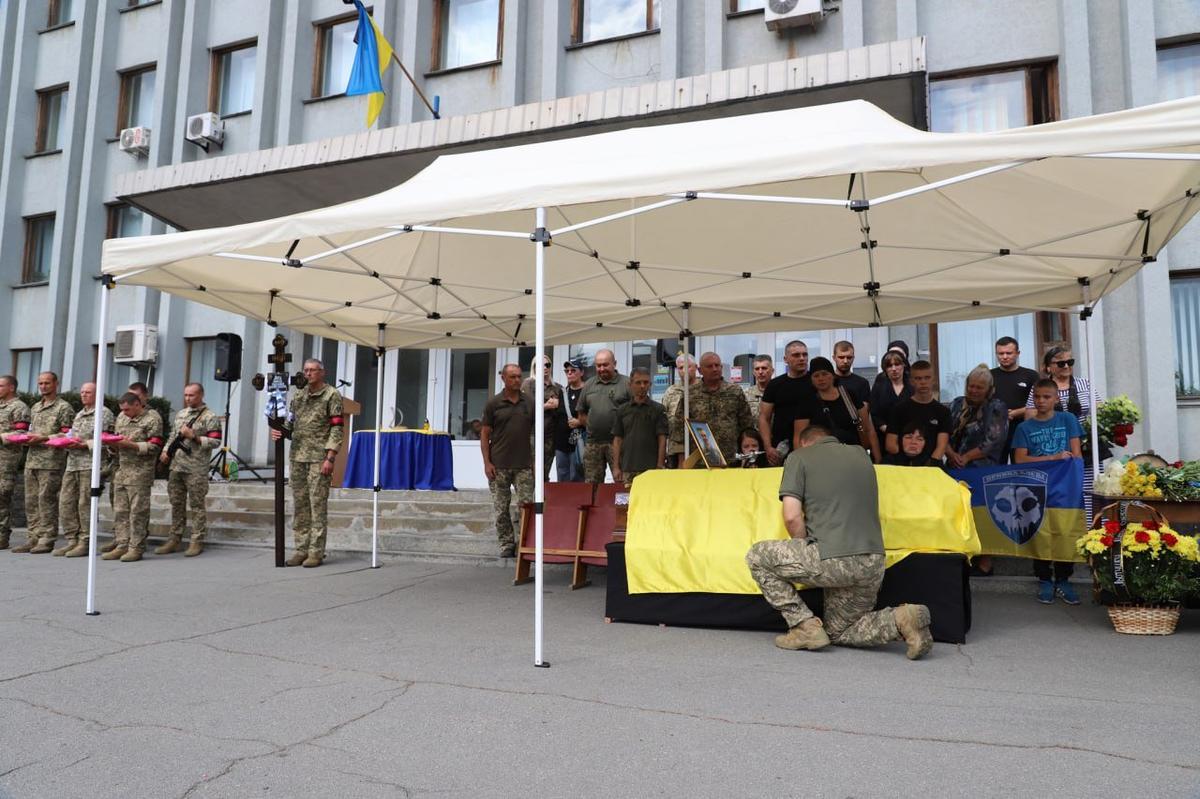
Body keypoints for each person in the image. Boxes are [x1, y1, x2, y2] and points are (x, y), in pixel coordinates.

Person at [744, 424, 933, 659]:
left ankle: (804, 626)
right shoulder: (861, 455)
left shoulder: (799, 457)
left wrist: (804, 547)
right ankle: (902, 619)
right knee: (840, 630)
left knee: (757, 556)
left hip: (832, 558)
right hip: (872, 561)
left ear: (805, 443)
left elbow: (792, 516)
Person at [1014, 378, 1084, 605]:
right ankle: (1044, 578)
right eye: (1037, 396)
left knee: (1065, 531)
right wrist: (1052, 458)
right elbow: (1020, 459)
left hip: (1065, 486)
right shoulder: (1025, 427)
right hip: (1036, 489)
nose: (1041, 401)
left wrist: (1076, 481)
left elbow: (1077, 455)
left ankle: (1063, 579)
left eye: (1046, 397)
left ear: (1056, 398)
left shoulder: (1068, 419)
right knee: (1040, 531)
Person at [270, 358, 345, 568]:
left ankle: (316, 552)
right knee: (300, 506)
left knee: (317, 506)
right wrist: (279, 430)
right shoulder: (299, 395)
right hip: (298, 458)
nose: (309, 373)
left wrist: (330, 457)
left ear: (322, 372)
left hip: (319, 458)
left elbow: (337, 428)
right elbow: (290, 423)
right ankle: (301, 549)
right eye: (306, 370)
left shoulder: (332, 395)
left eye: (313, 370)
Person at [1024, 344, 1102, 525]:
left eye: (1069, 362)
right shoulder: (1041, 388)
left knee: (1089, 490)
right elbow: (1029, 416)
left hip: (1085, 448)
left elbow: (1101, 411)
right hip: (1053, 451)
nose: (1066, 366)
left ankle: (1092, 533)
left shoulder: (1085, 383)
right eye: (1060, 363)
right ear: (1048, 367)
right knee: (1060, 494)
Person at [158, 382, 222, 557]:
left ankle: (197, 540)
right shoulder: (181, 414)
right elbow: (172, 435)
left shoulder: (210, 416)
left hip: (196, 468)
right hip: (176, 466)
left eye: (191, 395)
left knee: (197, 506)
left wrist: (194, 436)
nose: (187, 398)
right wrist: (165, 451)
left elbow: (216, 441)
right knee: (176, 504)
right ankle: (175, 538)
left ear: (201, 395)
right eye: (186, 395)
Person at [16, 372, 74, 554]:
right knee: (31, 501)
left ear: (56, 384)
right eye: (40, 383)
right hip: (32, 459)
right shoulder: (35, 407)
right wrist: (24, 438)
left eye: (47, 383)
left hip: (51, 461)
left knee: (46, 500)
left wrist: (44, 438)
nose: (43, 386)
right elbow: (30, 430)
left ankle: (47, 538)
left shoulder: (63, 408)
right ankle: (33, 537)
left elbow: (69, 434)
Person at [480, 364, 534, 558]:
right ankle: (506, 544)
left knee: (526, 507)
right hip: (499, 465)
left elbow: (536, 433)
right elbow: (485, 435)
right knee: (501, 508)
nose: (517, 380)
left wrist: (534, 462)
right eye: (512, 377)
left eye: (519, 377)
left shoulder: (529, 402)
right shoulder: (493, 403)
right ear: (503, 378)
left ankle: (524, 543)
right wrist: (487, 462)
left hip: (523, 466)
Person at [103, 392, 164, 562]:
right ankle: (122, 544)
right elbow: (116, 440)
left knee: (138, 512)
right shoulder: (121, 417)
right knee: (121, 511)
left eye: (128, 409)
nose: (125, 413)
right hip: (122, 470)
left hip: (140, 472)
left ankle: (136, 547)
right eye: (122, 409)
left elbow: (155, 446)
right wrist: (112, 446)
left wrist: (132, 445)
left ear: (138, 404)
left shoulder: (152, 419)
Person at [57, 383, 114, 558]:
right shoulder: (80, 413)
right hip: (73, 463)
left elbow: (107, 441)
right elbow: (72, 435)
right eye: (82, 392)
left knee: (85, 504)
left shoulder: (103, 413)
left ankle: (85, 541)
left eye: (88, 392)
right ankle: (72, 539)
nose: (84, 395)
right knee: (66, 502)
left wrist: (83, 444)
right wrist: (63, 440)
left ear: (97, 394)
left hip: (90, 464)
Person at [794, 357, 881, 462]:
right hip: (821, 458)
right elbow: (799, 437)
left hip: (853, 455)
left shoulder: (849, 395)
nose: (821, 378)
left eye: (825, 374)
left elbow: (868, 429)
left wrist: (878, 460)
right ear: (811, 379)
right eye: (816, 376)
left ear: (833, 376)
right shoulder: (807, 401)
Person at [673, 352, 755, 463]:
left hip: (732, 458)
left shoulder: (734, 391)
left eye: (717, 365)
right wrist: (681, 459)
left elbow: (747, 424)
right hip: (700, 460)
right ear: (700, 370)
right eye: (710, 366)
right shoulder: (690, 394)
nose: (715, 369)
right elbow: (679, 428)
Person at [576, 349, 631, 483]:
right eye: (598, 365)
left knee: (622, 484)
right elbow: (581, 412)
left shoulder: (627, 383)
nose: (601, 369)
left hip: (618, 443)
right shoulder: (589, 384)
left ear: (614, 364)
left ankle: (621, 506)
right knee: (592, 486)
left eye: (605, 365)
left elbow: (636, 412)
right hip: (593, 443)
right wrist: (591, 426)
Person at [758, 340, 814, 466]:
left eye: (805, 355)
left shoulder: (816, 382)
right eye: (796, 355)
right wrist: (768, 447)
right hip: (782, 448)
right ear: (785, 359)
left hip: (813, 445)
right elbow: (764, 418)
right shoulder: (775, 385)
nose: (802, 358)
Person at [885, 360, 950, 466]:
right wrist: (908, 466)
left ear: (933, 380)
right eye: (918, 378)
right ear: (911, 381)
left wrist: (928, 466)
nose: (923, 382)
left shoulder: (943, 412)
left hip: (931, 467)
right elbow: (891, 444)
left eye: (927, 378)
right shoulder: (899, 410)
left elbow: (941, 446)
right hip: (903, 467)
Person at [611, 367, 668, 487]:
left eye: (646, 382)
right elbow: (617, 440)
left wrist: (660, 465)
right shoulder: (622, 410)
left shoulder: (658, 409)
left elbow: (662, 439)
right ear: (630, 384)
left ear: (650, 384)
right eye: (638, 382)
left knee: (650, 502)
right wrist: (616, 467)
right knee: (629, 503)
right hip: (627, 468)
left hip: (650, 469)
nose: (642, 386)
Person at [946, 365, 1009, 469]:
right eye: (971, 386)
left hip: (983, 469)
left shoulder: (996, 408)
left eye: (979, 388)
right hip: (952, 466)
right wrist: (951, 454)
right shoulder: (956, 403)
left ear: (989, 390)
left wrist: (966, 457)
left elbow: (993, 442)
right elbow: (943, 433)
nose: (974, 390)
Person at [990, 336, 1040, 460]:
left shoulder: (1031, 375)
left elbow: (1039, 403)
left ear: (1018, 353)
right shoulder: (989, 376)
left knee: (1021, 468)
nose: (1005, 356)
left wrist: (1017, 412)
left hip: (1022, 429)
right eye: (1001, 353)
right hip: (995, 431)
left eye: (1009, 353)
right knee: (995, 470)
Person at [521, 355, 566, 481]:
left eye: (548, 365)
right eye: (541, 365)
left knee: (544, 472)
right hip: (533, 434)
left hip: (550, 436)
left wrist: (558, 405)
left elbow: (565, 411)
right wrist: (545, 406)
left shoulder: (557, 387)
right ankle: (532, 500)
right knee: (532, 472)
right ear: (534, 367)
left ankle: (544, 499)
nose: (545, 368)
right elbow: (526, 409)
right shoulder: (528, 383)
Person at [0, 375, 30, 551]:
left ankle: (2, 536)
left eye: (1, 386)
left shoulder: (19, 408)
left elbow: (20, 435)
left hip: (6, 460)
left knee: (2, 496)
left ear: (11, 388)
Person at [662, 354, 697, 468]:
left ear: (696, 367)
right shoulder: (671, 391)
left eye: (688, 367)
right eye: (681, 368)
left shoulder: (703, 388)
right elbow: (663, 420)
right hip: (675, 448)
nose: (684, 370)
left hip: (698, 447)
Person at [868, 349, 912, 437]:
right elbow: (874, 413)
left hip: (911, 436)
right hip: (885, 436)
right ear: (885, 369)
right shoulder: (879, 387)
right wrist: (888, 430)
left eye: (897, 364)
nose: (894, 369)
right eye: (889, 366)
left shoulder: (913, 387)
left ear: (904, 365)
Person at [561, 360, 586, 481]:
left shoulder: (588, 391)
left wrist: (580, 422)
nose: (569, 373)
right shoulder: (562, 392)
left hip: (581, 440)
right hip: (562, 442)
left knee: (578, 474)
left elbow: (596, 413)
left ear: (581, 372)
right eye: (567, 371)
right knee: (563, 476)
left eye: (573, 370)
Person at [832, 341, 871, 408]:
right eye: (841, 357)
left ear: (853, 358)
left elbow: (864, 412)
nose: (845, 361)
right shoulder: (827, 382)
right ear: (834, 358)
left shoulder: (862, 383)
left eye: (849, 357)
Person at [743, 355, 774, 420]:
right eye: (757, 369)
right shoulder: (745, 394)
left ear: (772, 371)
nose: (760, 372)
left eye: (764, 368)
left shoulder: (780, 393)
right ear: (753, 372)